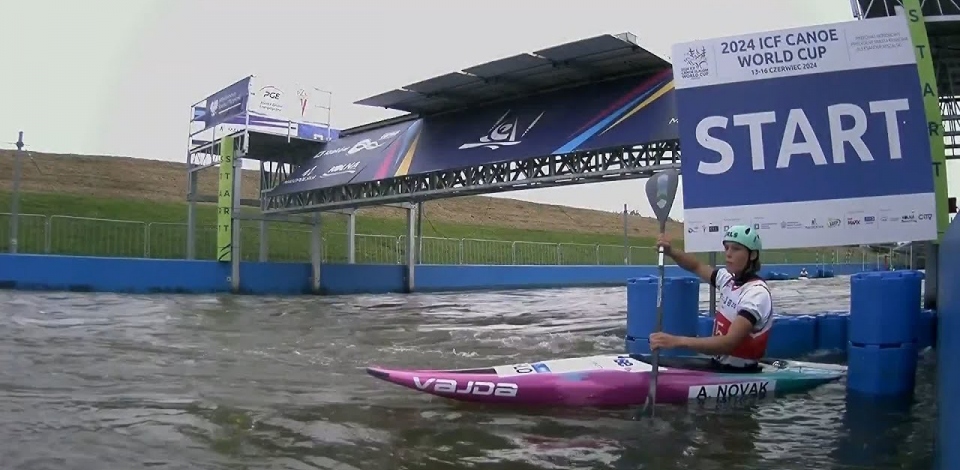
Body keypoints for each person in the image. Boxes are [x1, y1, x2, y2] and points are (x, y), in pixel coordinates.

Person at [648, 225, 774, 371]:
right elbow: (695, 266)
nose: (728, 254)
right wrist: (671, 252)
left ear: (752, 255)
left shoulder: (756, 294)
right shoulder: (728, 280)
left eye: (736, 249)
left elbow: (729, 343)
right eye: (727, 248)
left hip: (740, 372)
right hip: (718, 364)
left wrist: (676, 341)